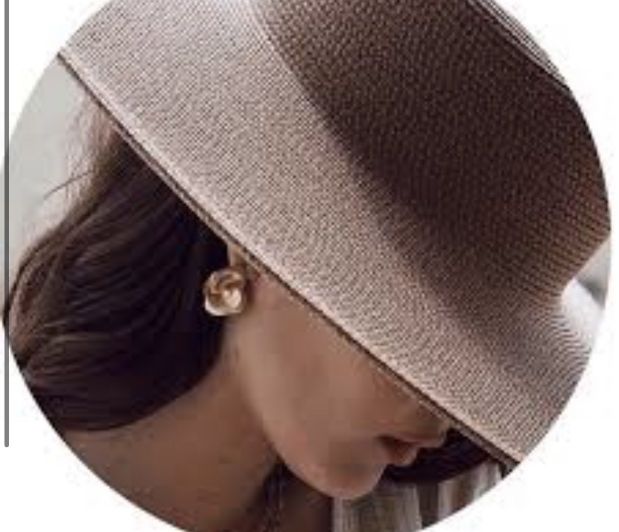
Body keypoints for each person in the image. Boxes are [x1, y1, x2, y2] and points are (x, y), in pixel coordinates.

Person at [4, 101, 491, 532]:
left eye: (490, 349)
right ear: (257, 235)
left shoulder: (451, 495)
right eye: (431, 326)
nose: (447, 418)